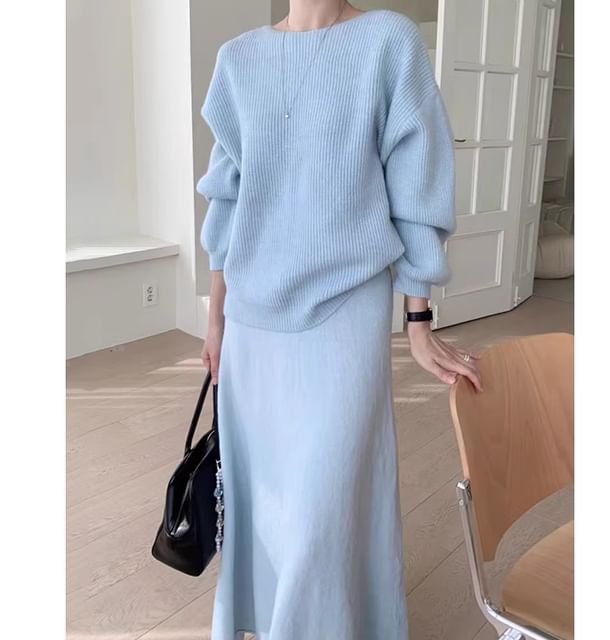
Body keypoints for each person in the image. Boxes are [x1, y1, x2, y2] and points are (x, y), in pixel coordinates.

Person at [196, 2, 482, 638]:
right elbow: (226, 199)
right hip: (253, 324)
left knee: (322, 512)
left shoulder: (388, 42)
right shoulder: (238, 59)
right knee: (268, 510)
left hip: (346, 316)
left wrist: (417, 318)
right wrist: (216, 321)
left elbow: (417, 181)